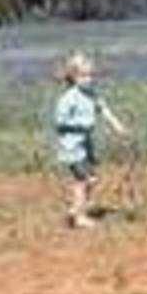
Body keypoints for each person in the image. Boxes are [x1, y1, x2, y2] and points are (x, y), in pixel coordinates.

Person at [54, 52, 129, 229]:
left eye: (90, 75)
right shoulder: (69, 98)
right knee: (84, 179)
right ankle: (79, 216)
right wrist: (79, 125)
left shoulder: (92, 94)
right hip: (72, 146)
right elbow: (59, 122)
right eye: (83, 76)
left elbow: (104, 110)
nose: (88, 79)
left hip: (86, 144)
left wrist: (117, 126)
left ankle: (76, 210)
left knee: (92, 178)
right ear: (74, 77)